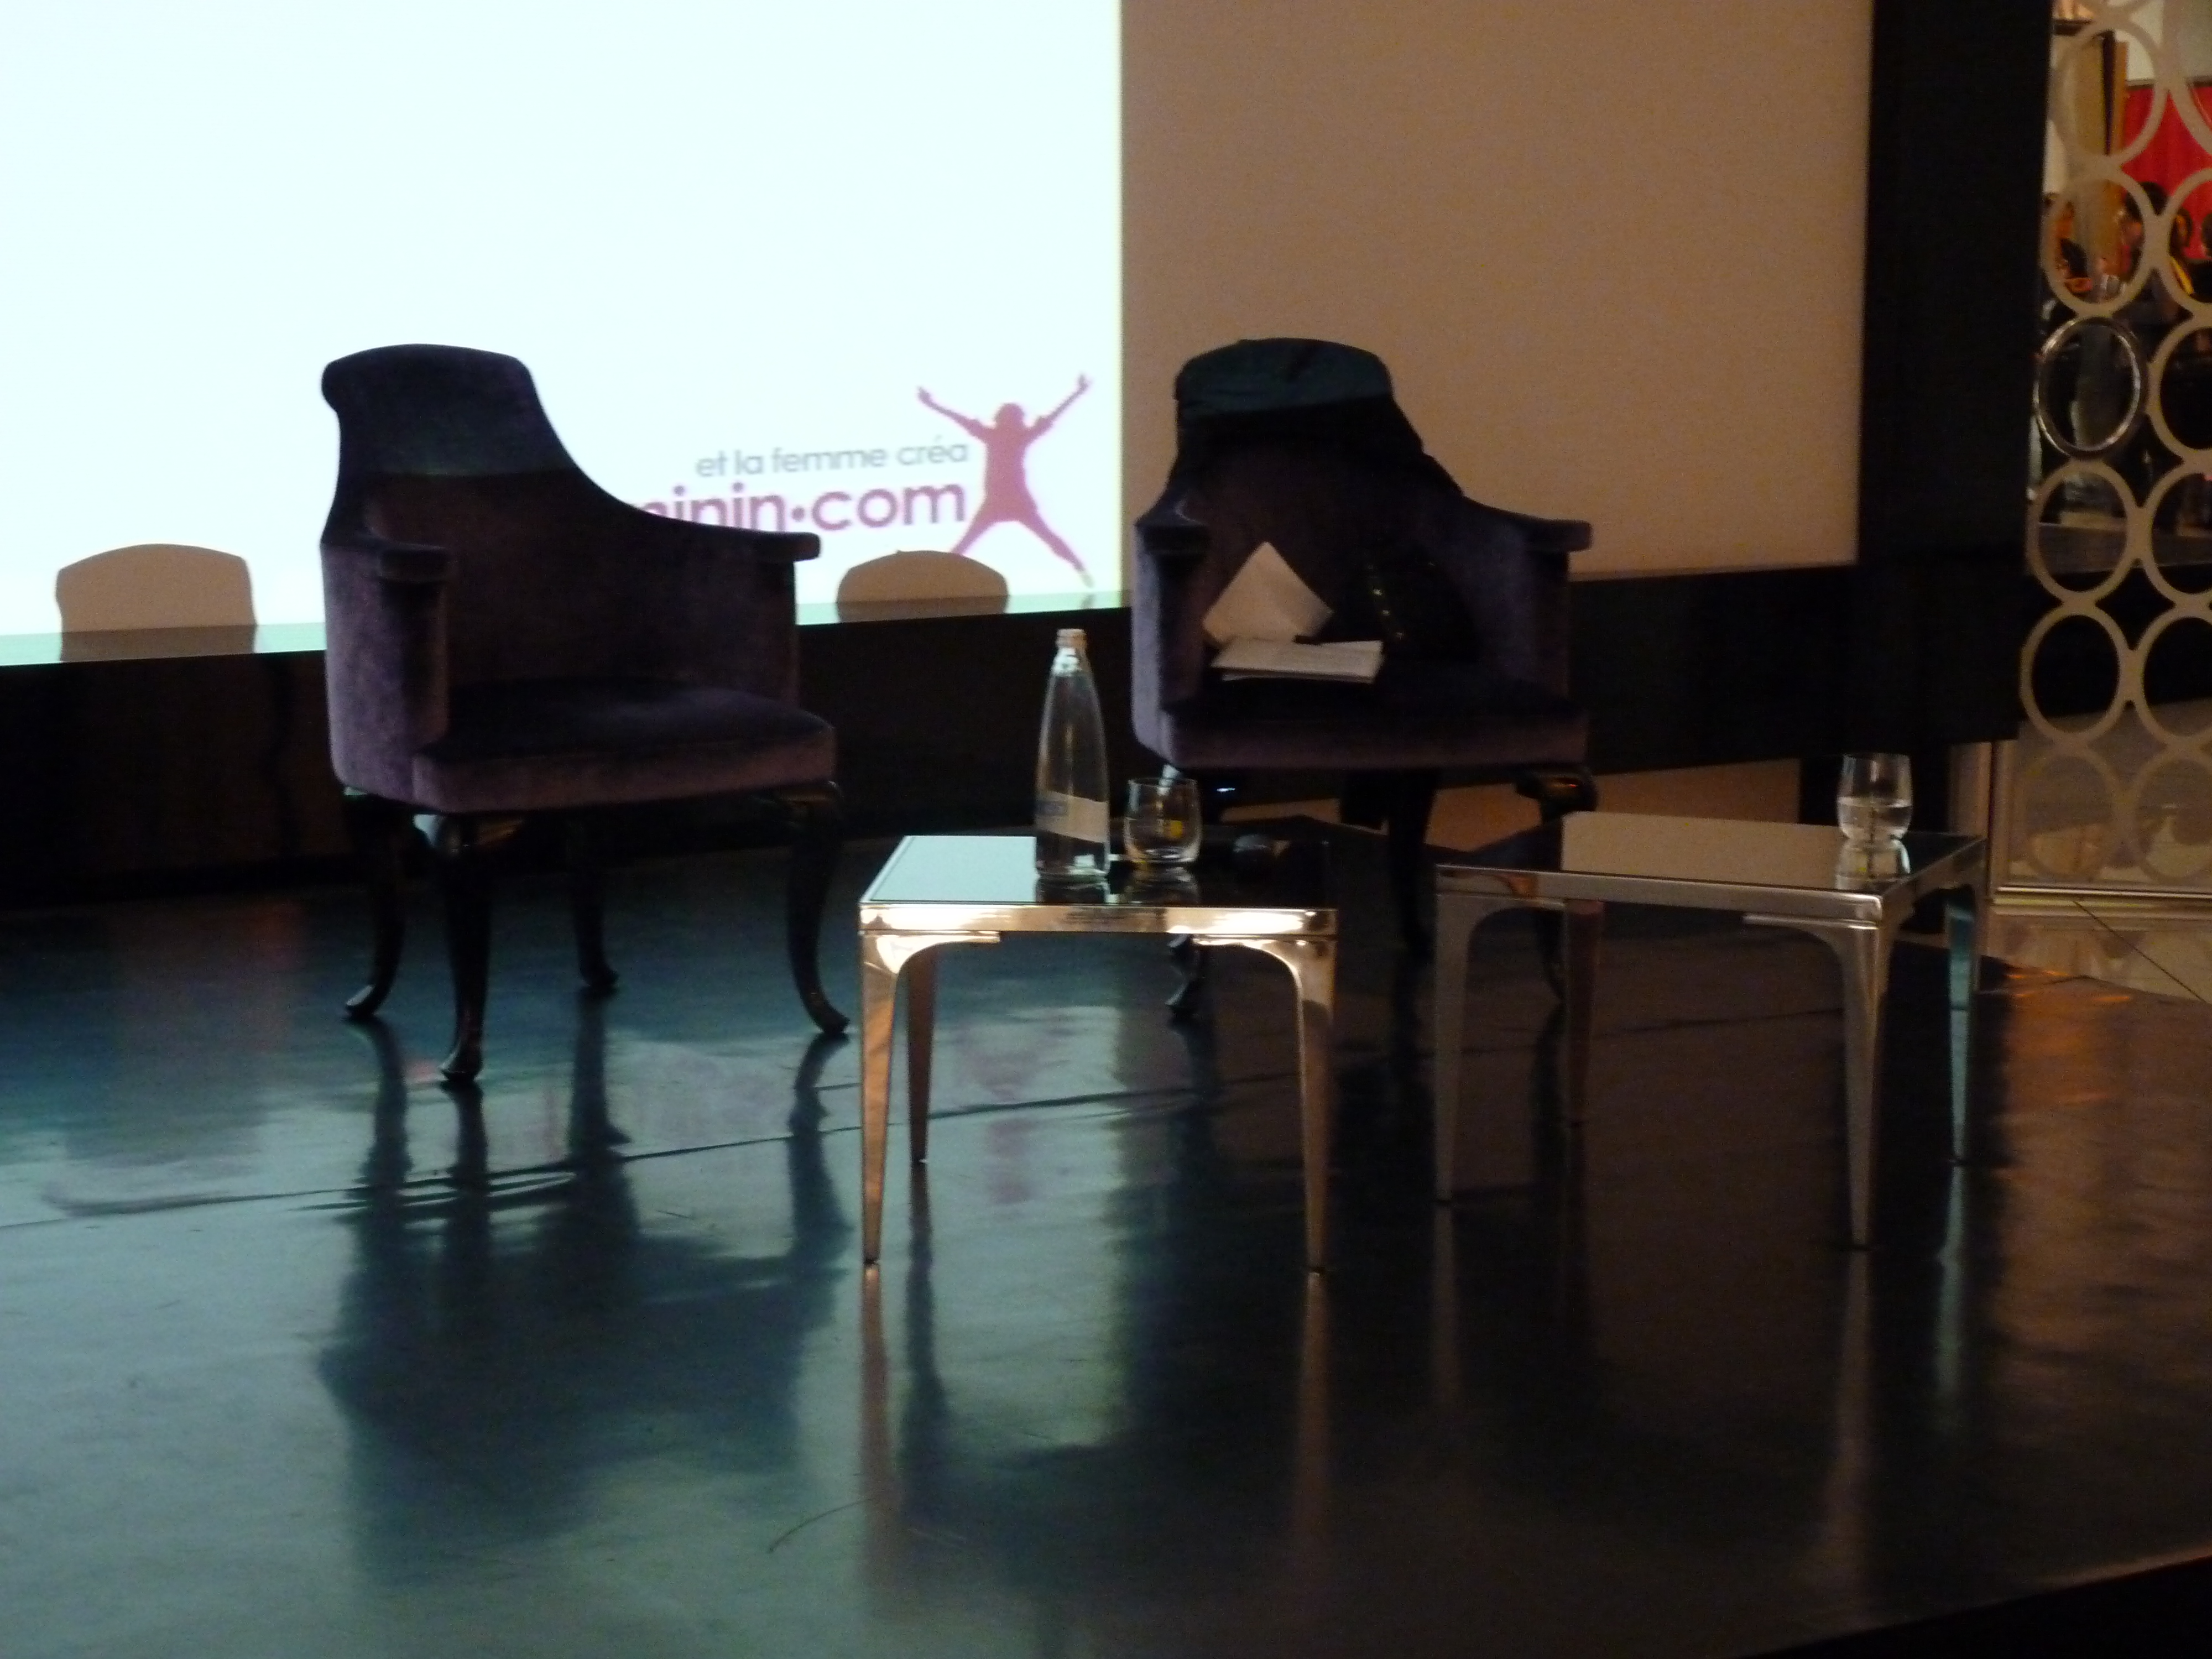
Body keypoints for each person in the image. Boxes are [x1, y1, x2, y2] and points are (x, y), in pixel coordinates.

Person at [917, 375, 1093, 586]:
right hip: (1001, 501)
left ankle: (1080, 567)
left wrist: (932, 404)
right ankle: (1080, 567)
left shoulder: (1004, 436)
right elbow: (959, 419)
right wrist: (932, 404)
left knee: (967, 544)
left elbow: (959, 419)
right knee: (966, 545)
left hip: (1012, 501)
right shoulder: (1009, 436)